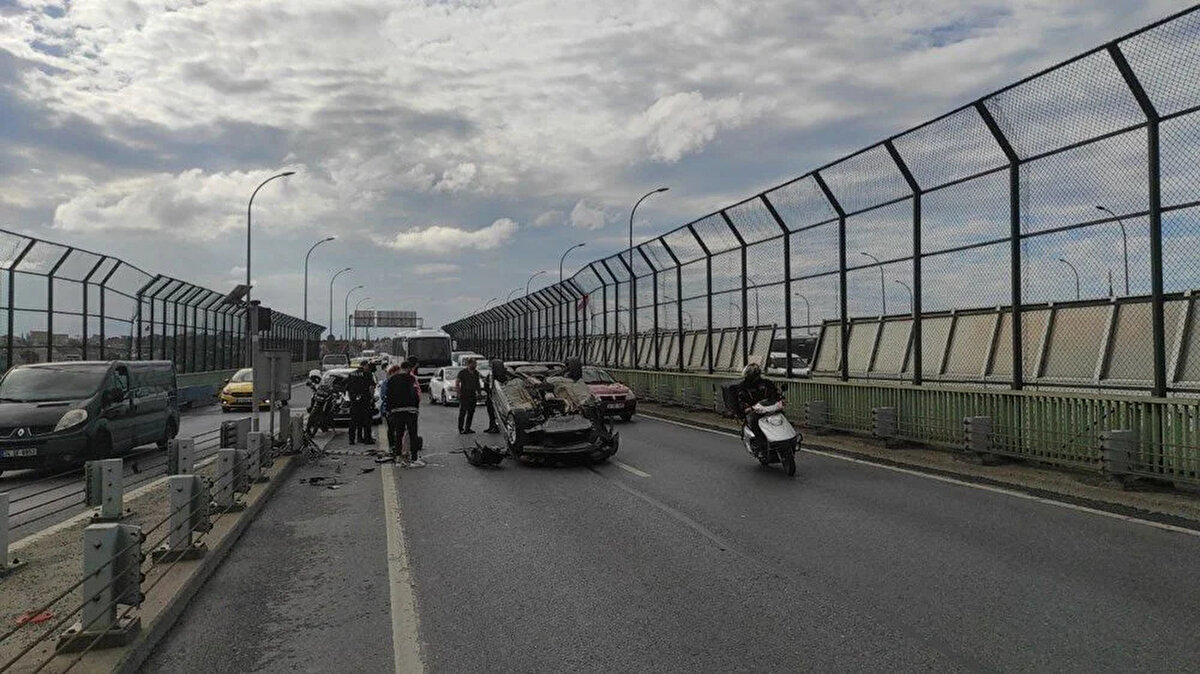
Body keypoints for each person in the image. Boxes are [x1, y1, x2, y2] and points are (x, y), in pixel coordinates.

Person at [385, 360, 424, 467]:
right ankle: (414, 459)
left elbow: (389, 396)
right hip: (410, 410)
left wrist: (389, 410)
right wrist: (416, 408)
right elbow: (415, 394)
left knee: (399, 434)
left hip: (397, 411)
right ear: (408, 369)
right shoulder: (411, 378)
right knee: (412, 434)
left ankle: (398, 459)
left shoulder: (392, 379)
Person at [736, 362, 780, 454]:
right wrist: (746, 407)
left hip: (769, 408)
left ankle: (787, 438)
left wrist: (780, 399)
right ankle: (761, 446)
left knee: (782, 415)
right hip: (755, 411)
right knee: (754, 421)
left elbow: (775, 393)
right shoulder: (743, 386)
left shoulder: (767, 383)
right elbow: (740, 398)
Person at [345, 360, 376, 445]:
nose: (368, 368)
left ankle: (352, 440)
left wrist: (352, 398)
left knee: (354, 421)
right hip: (365, 400)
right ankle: (367, 439)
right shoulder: (368, 374)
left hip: (354, 401)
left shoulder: (351, 374)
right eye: (367, 366)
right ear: (365, 366)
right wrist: (372, 398)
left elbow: (347, 388)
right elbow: (371, 387)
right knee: (366, 421)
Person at [455, 358, 482, 434]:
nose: (475, 365)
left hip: (472, 395)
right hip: (464, 395)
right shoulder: (462, 372)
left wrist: (479, 393)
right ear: (469, 364)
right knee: (462, 412)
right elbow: (457, 383)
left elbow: (478, 384)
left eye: (475, 364)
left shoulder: (476, 373)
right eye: (473, 364)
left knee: (471, 412)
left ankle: (468, 428)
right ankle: (461, 428)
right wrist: (458, 393)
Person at [379, 364, 401, 451]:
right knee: (391, 428)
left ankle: (398, 445)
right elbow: (383, 396)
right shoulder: (386, 382)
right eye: (396, 373)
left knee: (398, 428)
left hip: (397, 408)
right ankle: (392, 445)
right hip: (388, 409)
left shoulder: (399, 382)